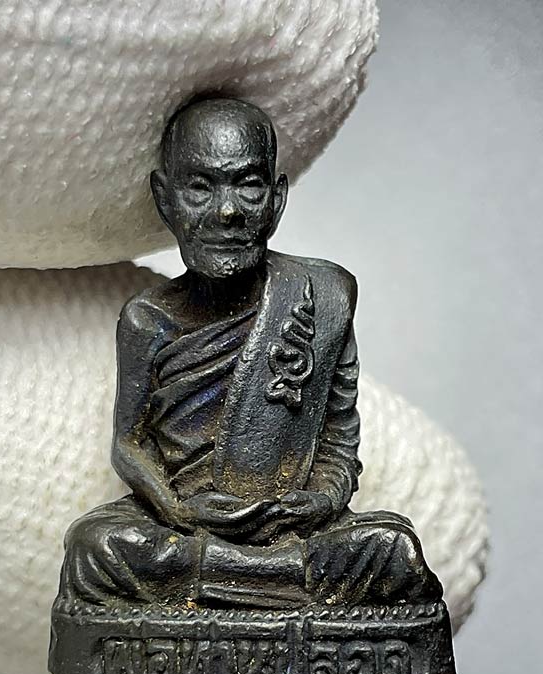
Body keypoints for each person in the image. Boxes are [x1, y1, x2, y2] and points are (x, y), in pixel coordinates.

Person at [57, 97, 441, 610]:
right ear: (165, 199)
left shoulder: (322, 295)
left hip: (291, 525)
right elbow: (129, 444)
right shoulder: (147, 320)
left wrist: (323, 500)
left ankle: (238, 578)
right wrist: (177, 511)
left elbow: (338, 437)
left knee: (391, 549)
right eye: (200, 188)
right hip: (188, 524)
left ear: (276, 200)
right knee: (97, 546)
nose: (227, 211)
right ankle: (278, 582)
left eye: (248, 185)